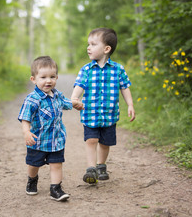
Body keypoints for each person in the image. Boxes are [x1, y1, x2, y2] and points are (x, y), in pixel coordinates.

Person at [71, 27, 135, 184]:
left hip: (109, 114)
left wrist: (130, 104)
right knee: (91, 140)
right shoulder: (86, 70)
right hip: (90, 113)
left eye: (93, 44)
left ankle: (101, 166)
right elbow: (79, 86)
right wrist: (74, 98)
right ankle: (91, 169)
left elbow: (124, 87)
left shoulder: (118, 69)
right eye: (88, 44)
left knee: (105, 143)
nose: (88, 47)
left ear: (107, 49)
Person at [18, 56, 72, 201]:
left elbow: (67, 103)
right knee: (33, 164)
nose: (48, 80)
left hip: (56, 140)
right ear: (33, 79)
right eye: (43, 77)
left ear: (57, 77)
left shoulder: (57, 95)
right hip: (38, 142)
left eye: (52, 77)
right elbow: (25, 118)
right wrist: (26, 132)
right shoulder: (32, 99)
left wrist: (77, 104)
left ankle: (55, 189)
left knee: (56, 164)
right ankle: (32, 179)